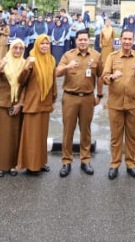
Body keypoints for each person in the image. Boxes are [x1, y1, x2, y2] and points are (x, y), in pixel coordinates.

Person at [56, 29, 102, 176]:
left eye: (85, 39)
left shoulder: (96, 56)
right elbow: (57, 73)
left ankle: (85, 160)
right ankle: (66, 162)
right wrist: (67, 66)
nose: (82, 42)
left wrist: (99, 95)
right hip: (70, 97)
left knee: (86, 130)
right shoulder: (68, 55)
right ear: (76, 41)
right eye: (80, 39)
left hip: (88, 98)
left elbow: (100, 76)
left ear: (89, 41)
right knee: (68, 130)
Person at [102, 28, 135, 180]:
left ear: (133, 41)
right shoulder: (112, 57)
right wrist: (112, 77)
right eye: (125, 39)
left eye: (130, 39)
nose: (127, 42)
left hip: (134, 104)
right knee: (116, 137)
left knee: (132, 136)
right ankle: (114, 164)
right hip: (115, 104)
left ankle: (131, 164)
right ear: (120, 40)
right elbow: (104, 77)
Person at [17, 34, 57, 174]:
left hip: (45, 103)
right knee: (31, 136)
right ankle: (31, 165)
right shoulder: (31, 59)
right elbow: (21, 80)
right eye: (42, 44)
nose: (45, 46)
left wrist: (53, 99)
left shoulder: (51, 59)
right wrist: (27, 67)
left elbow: (53, 81)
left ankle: (40, 162)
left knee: (41, 136)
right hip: (33, 102)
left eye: (47, 43)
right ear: (37, 45)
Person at [0, 39, 26, 177]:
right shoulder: (4, 61)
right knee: (1, 135)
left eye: (20, 48)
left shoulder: (25, 63)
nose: (17, 51)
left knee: (14, 136)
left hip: (16, 103)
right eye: (15, 48)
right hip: (2, 101)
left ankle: (12, 165)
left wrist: (20, 104)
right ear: (10, 49)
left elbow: (25, 86)